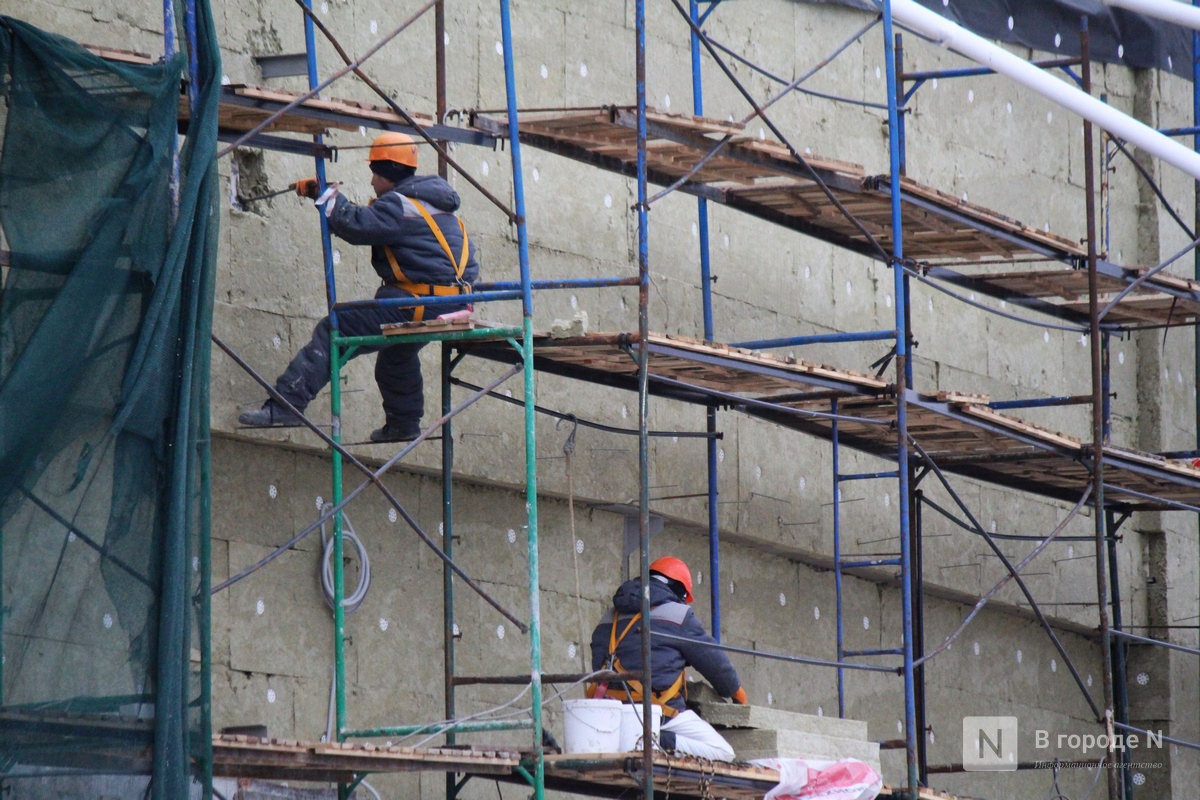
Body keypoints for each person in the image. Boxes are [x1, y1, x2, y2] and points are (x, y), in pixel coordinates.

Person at [239, 132, 478, 443]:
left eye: (374, 174)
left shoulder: (399, 205)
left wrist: (326, 196)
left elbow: (356, 224)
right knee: (397, 354)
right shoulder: (439, 208)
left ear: (387, 172)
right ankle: (404, 424)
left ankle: (286, 404)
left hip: (419, 304)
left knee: (335, 329)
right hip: (456, 305)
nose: (371, 182)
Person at [588, 556, 747, 761]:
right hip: (657, 714)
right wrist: (737, 693)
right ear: (679, 590)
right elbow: (714, 661)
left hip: (611, 716)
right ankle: (660, 742)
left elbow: (597, 664)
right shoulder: (678, 614)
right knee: (723, 752)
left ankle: (648, 737)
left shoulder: (609, 616)